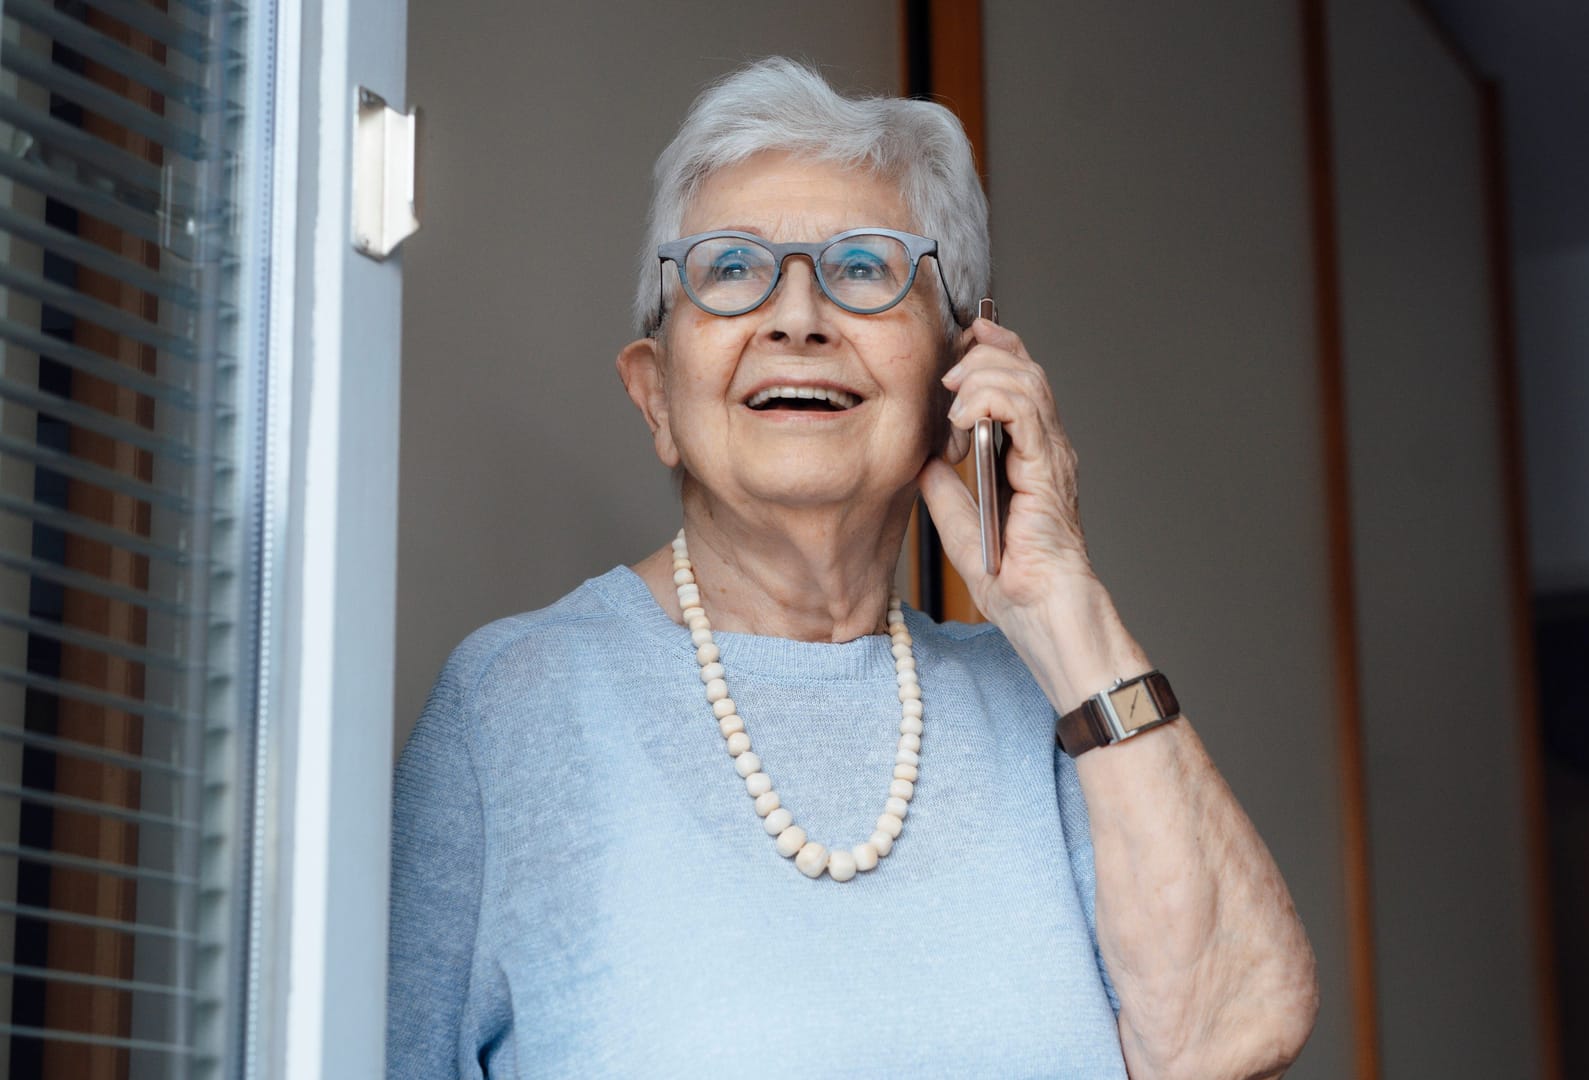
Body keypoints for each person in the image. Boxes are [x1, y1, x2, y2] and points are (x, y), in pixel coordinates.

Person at [388, 58, 1317, 1079]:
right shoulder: (512, 704)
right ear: (656, 396)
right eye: (732, 267)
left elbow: (1236, 1032)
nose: (797, 317)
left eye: (866, 268)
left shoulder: (1044, 708)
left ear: (960, 375)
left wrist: (1066, 610)